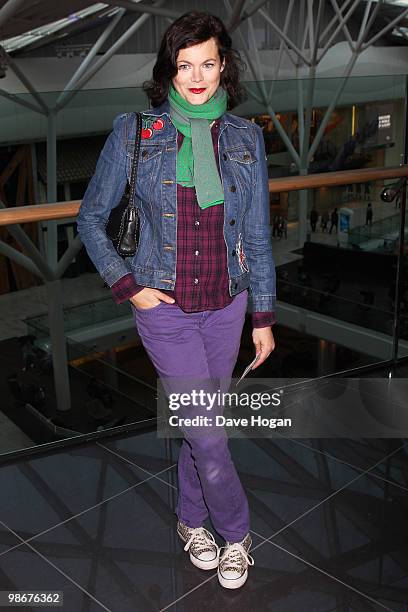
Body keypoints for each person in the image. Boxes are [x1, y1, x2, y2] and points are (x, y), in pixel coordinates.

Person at [76, 11, 276, 590]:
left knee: (199, 425)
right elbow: (90, 217)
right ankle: (237, 534)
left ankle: (192, 520)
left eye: (207, 64)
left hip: (227, 304)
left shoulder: (246, 138)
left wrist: (262, 317)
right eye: (184, 65)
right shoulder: (135, 132)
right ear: (169, 70)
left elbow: (258, 236)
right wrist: (129, 286)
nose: (196, 76)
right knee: (210, 435)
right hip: (164, 311)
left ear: (224, 68)